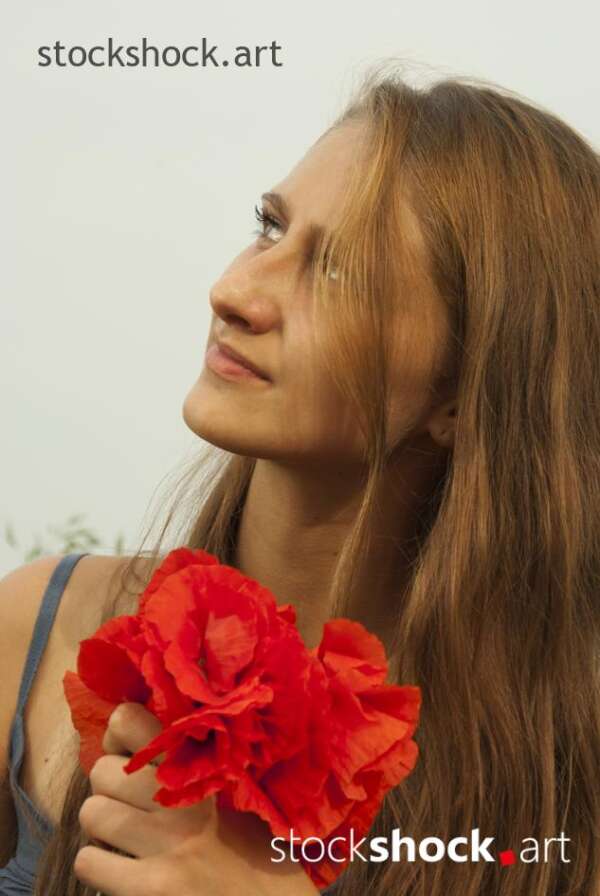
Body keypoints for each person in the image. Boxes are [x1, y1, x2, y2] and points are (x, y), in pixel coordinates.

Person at [1, 60, 599, 896]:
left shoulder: (562, 770)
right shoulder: (39, 633)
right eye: (269, 227)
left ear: (464, 396)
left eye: (342, 271)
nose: (234, 291)